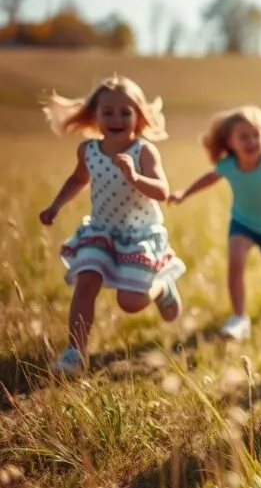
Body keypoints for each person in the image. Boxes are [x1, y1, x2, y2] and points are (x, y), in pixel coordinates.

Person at [38, 75, 185, 376]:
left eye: (125, 112)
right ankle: (74, 354)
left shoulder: (143, 151)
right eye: (108, 112)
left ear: (138, 116)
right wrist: (56, 204)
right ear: (95, 115)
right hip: (101, 232)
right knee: (86, 280)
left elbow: (162, 190)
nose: (116, 118)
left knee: (130, 303)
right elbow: (79, 179)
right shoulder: (89, 150)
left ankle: (161, 287)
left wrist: (135, 177)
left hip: (139, 235)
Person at [169, 105, 261, 340]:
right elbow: (209, 178)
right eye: (243, 137)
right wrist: (184, 193)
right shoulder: (228, 166)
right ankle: (239, 318)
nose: (251, 142)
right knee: (235, 262)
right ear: (230, 142)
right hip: (242, 224)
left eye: (255, 135)